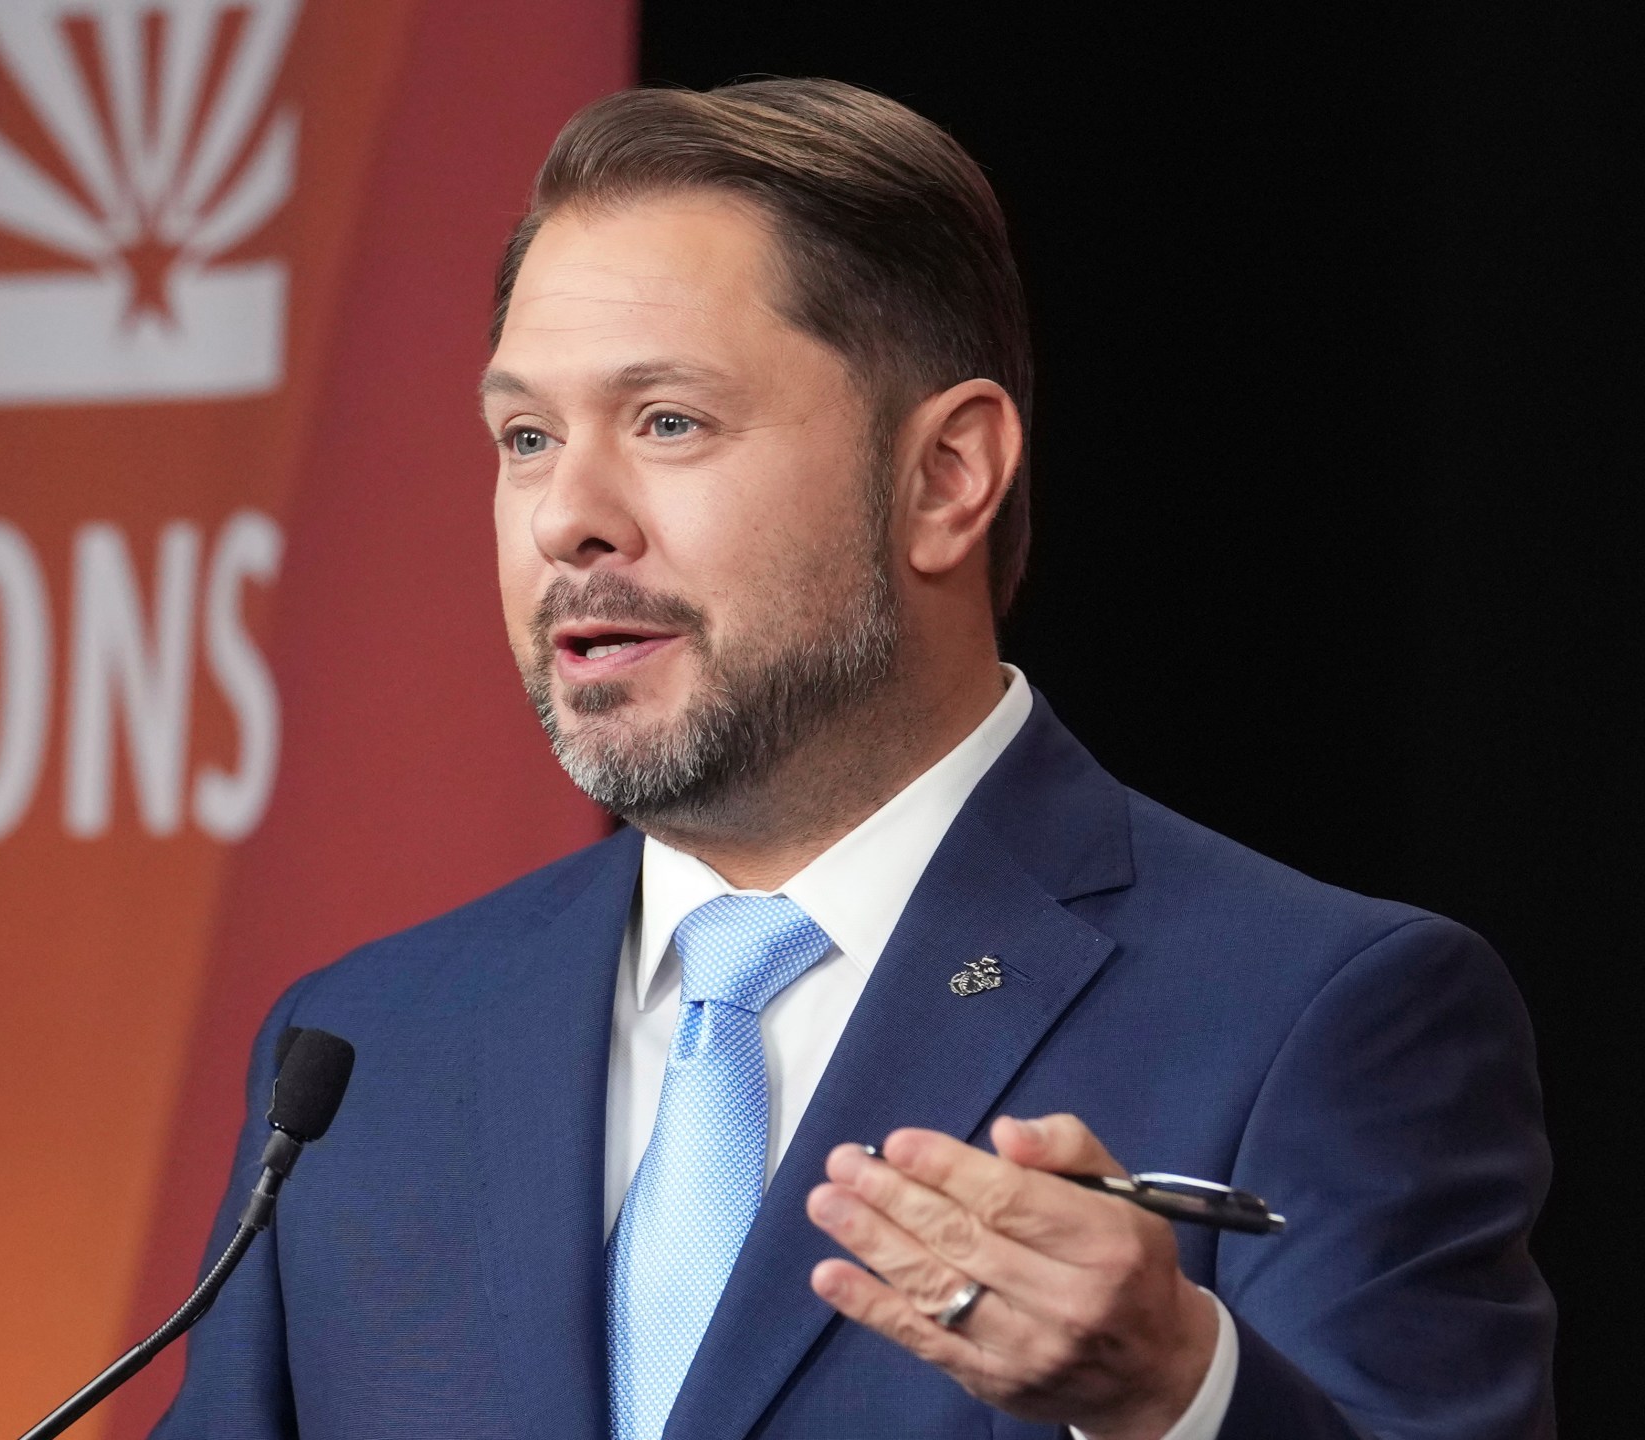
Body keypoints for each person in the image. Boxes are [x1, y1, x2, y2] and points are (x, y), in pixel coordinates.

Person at [150, 79, 1551, 1440]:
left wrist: (1176, 1401)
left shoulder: (1319, 1015)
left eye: (668, 422)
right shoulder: (367, 1052)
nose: (567, 519)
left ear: (946, 476)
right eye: (525, 437)